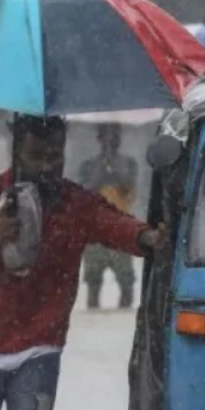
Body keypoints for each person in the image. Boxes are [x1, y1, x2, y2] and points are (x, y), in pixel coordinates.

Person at [0, 116, 168, 410]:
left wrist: (148, 237)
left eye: (55, 155)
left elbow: (114, 224)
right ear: (16, 152)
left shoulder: (75, 203)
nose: (48, 165)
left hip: (38, 349)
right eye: (37, 155)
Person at [77, 123, 139, 309]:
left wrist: (115, 171)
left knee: (126, 281)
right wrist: (101, 172)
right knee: (94, 282)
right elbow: (85, 193)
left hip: (121, 227)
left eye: (115, 136)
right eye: (106, 136)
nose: (111, 140)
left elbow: (130, 188)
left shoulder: (129, 164)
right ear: (99, 139)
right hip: (95, 230)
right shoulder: (88, 165)